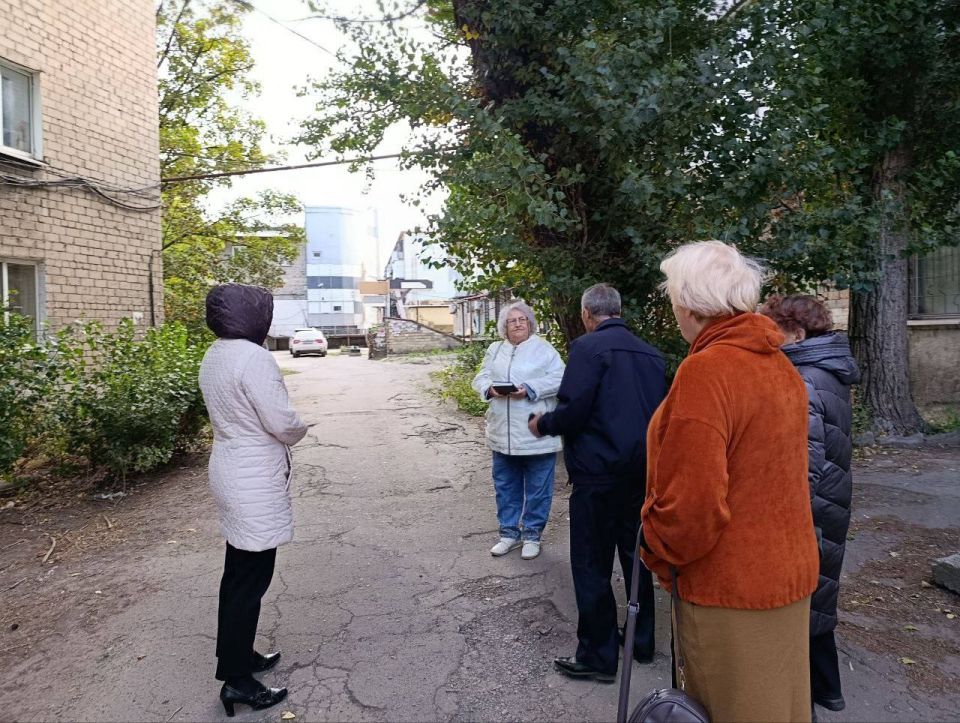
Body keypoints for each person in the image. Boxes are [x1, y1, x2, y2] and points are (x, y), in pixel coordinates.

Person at [639, 241, 820, 722]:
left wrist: (655, 547)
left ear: (689, 302)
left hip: (729, 587)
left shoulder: (708, 370)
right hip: (787, 576)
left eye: (673, 296)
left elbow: (692, 507)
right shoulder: (776, 364)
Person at [528, 284, 667, 684]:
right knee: (636, 557)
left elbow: (574, 410)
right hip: (641, 472)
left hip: (598, 472)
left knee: (591, 563)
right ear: (618, 311)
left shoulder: (588, 349)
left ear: (588, 314)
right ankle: (640, 641)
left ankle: (598, 655)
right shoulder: (651, 354)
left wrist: (544, 424)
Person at [199, 283, 308, 716]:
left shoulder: (216, 353)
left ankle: (238, 656)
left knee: (237, 575)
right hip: (253, 477)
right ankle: (237, 681)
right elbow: (282, 422)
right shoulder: (254, 357)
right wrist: (300, 429)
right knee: (250, 581)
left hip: (230, 468)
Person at [760, 294, 860, 716]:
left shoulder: (803, 379)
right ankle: (827, 690)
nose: (768, 339)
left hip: (810, 511)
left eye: (775, 331)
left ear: (798, 334)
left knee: (802, 603)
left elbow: (806, 467)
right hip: (828, 504)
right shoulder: (825, 370)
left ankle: (805, 704)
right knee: (817, 598)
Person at [471, 300, 565, 560]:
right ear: (504, 326)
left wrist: (531, 388)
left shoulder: (544, 349)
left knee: (538, 489)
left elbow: (561, 378)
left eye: (522, 319)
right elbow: (481, 377)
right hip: (502, 432)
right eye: (512, 321)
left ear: (530, 323)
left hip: (535, 432)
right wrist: (489, 389)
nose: (518, 324)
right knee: (505, 486)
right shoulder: (495, 349)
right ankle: (509, 534)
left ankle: (532, 535)